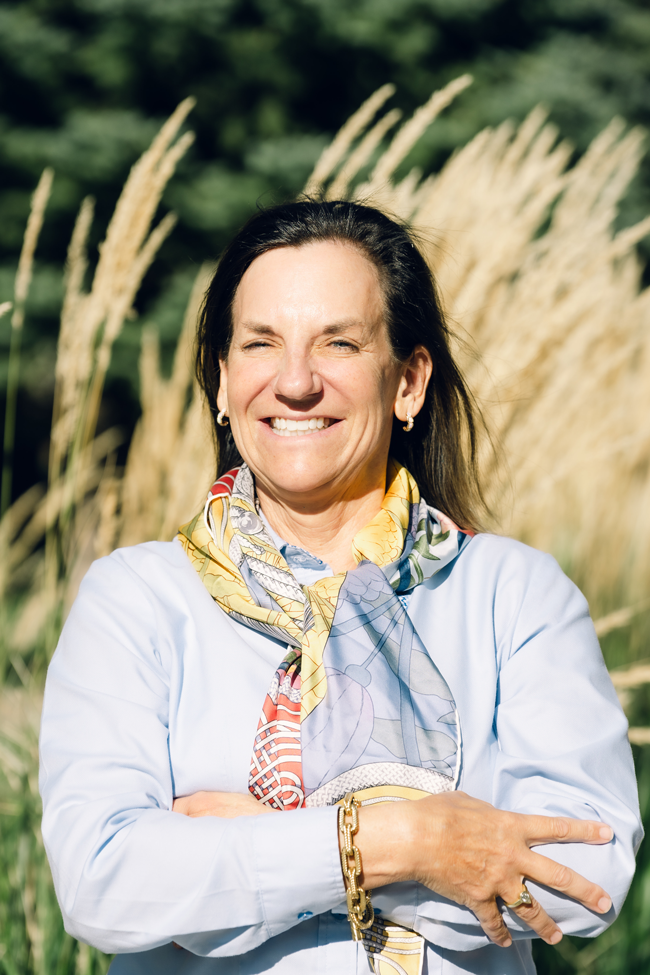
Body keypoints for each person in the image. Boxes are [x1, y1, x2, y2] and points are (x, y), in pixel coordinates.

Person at [39, 200, 642, 975]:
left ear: (408, 382)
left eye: (339, 343)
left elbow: (586, 875)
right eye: (261, 343)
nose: (295, 382)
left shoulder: (514, 595)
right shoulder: (137, 601)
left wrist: (245, 851)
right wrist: (411, 842)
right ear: (223, 381)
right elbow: (103, 882)